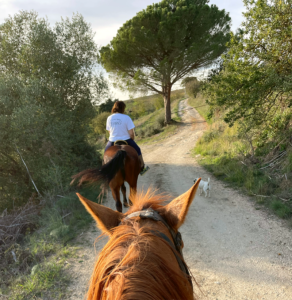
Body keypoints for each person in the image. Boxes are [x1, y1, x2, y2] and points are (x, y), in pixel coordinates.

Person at [105, 101, 149, 176]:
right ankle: (142, 167)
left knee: (106, 153)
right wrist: (131, 139)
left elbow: (109, 131)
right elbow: (131, 133)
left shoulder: (109, 118)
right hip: (126, 140)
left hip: (112, 140)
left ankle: (104, 170)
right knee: (138, 150)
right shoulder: (126, 117)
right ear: (123, 108)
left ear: (114, 108)